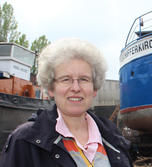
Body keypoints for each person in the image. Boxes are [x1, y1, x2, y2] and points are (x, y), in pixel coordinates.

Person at [0, 38, 133, 167]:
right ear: (51, 88)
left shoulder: (113, 138)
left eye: (84, 79)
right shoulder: (25, 141)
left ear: (94, 88)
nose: (76, 88)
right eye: (66, 79)